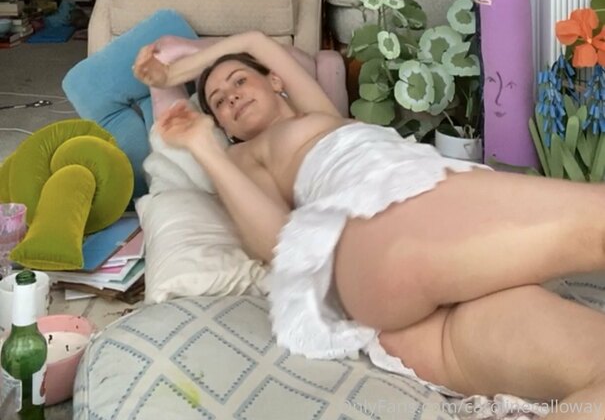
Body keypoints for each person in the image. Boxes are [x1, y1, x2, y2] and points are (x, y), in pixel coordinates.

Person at [134, 30, 605, 419]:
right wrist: (205, 149)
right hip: (384, 228)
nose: (231, 96)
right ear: (225, 127)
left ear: (276, 80)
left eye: (239, 80)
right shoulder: (245, 155)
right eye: (218, 102)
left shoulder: (323, 115)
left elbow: (255, 40)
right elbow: (280, 243)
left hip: (417, 320)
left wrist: (180, 69)